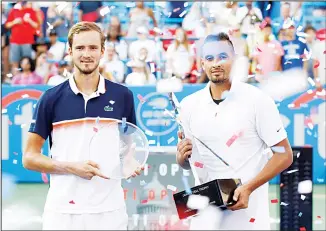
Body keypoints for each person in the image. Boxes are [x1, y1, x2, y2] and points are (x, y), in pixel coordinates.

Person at [23, 21, 143, 230]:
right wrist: (71, 167)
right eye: (80, 48)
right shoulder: (50, 98)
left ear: (102, 51)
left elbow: (127, 147)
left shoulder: (123, 96)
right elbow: (29, 157)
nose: (86, 54)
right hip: (62, 212)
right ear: (69, 50)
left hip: (110, 212)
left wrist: (130, 162)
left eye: (93, 47)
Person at [176, 33, 293, 230]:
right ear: (202, 63)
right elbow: (189, 164)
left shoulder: (258, 101)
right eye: (210, 58)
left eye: (223, 56)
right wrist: (181, 158)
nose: (216, 64)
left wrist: (248, 187)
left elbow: (285, 156)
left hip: (248, 218)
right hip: (206, 216)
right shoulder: (188, 106)